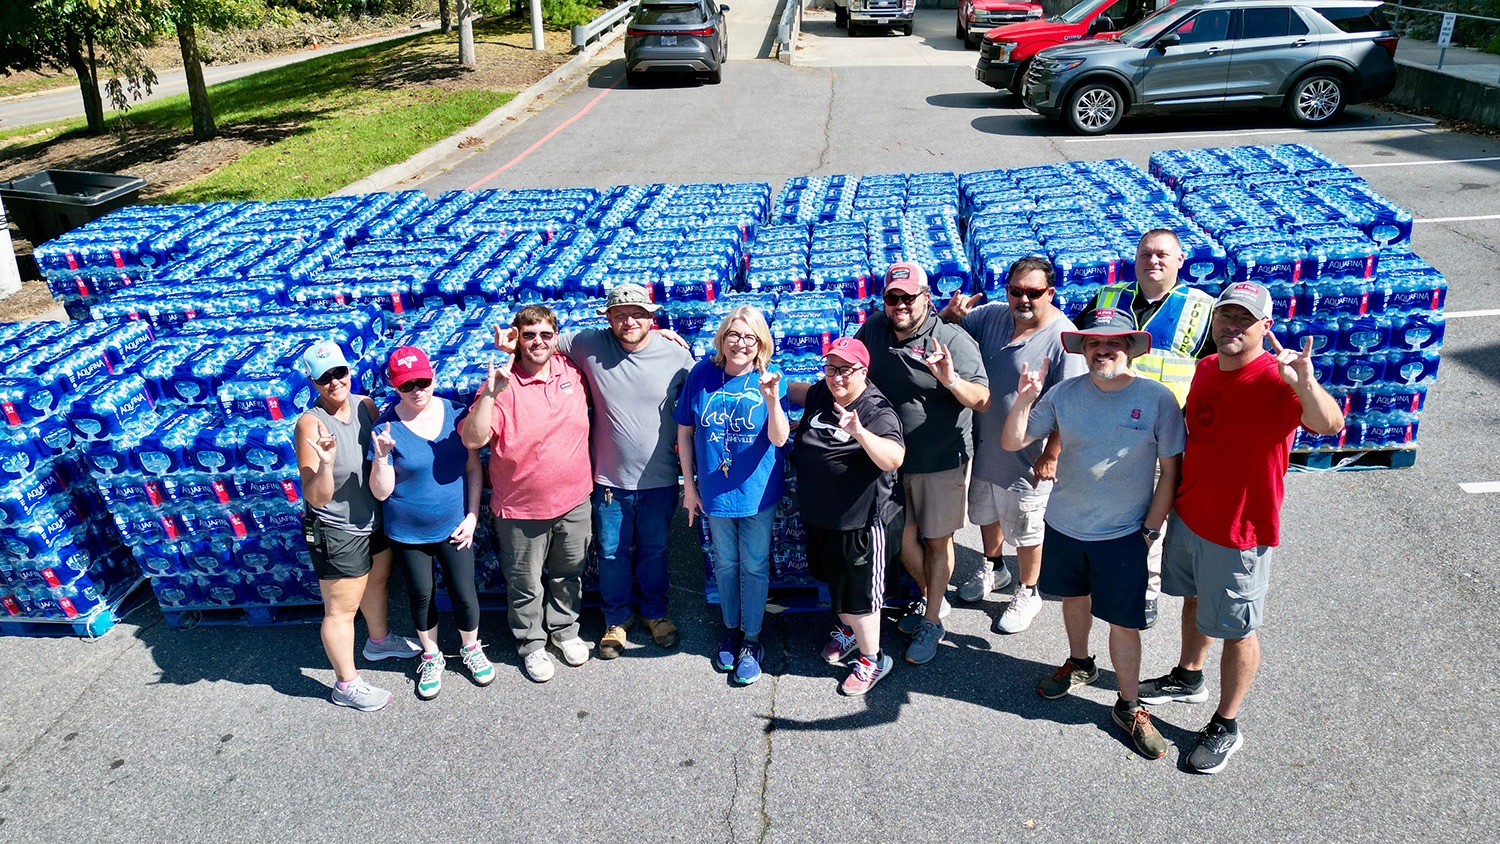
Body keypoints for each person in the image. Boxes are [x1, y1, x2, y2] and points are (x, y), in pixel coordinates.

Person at [1139, 282, 1345, 774]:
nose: (1232, 325)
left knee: (1237, 630)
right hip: (1191, 516)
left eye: (1245, 319)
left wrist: (1305, 383)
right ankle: (1189, 678)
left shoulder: (1279, 379)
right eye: (1225, 316)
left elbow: (1330, 425)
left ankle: (1227, 724)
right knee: (1193, 602)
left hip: (1241, 531)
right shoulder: (1207, 368)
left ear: (1265, 327)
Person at [1000, 308, 1185, 760]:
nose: (1104, 349)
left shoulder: (1157, 398)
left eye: (1114, 342)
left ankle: (1129, 705)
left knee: (1124, 622)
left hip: (1125, 534)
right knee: (1074, 601)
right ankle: (1080, 664)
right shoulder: (1064, 394)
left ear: (1131, 348)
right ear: (1083, 349)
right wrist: (1024, 399)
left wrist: (1150, 531)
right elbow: (1012, 441)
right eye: (1094, 342)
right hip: (1064, 525)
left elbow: (1170, 471)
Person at [507, 283, 694, 659]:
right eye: (620, 314)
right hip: (609, 481)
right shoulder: (588, 343)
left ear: (652, 317)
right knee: (611, 553)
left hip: (659, 479)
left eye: (637, 313)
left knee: (655, 550)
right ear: (608, 318)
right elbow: (540, 340)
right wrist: (506, 347)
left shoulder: (676, 355)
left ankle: (655, 614)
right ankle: (617, 619)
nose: (629, 320)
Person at [939, 256, 1086, 634]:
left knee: (1026, 526)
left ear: (1050, 293)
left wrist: (1052, 454)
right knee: (986, 512)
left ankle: (1028, 590)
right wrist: (951, 312)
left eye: (1034, 292)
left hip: (1028, 455)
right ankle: (994, 568)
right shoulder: (992, 315)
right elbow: (948, 326)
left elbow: (1071, 406)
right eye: (1016, 291)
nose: (1024, 299)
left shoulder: (1063, 340)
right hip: (985, 442)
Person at [1078, 229, 1216, 627]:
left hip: (1161, 432)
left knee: (1152, 515)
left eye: (1162, 255)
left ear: (1180, 261)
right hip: (1104, 424)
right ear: (1134, 259)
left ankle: (1147, 589)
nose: (1153, 261)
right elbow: (1079, 342)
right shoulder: (1109, 298)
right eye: (1145, 254)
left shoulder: (1201, 308)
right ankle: (1101, 570)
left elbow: (1212, 372)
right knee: (1102, 502)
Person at [854, 261, 988, 666]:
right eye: (892, 297)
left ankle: (932, 619)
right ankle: (934, 597)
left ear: (925, 299)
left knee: (937, 540)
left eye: (908, 297)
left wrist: (949, 379)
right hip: (890, 460)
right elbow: (852, 371)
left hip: (938, 460)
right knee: (902, 539)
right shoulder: (874, 327)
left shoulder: (951, 340)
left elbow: (981, 398)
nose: (899, 305)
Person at [461, 305, 594, 684]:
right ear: (517, 339)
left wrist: (663, 333)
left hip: (574, 500)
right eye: (529, 335)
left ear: (556, 337)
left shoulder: (573, 373)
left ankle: (565, 630)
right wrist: (489, 394)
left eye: (545, 335)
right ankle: (532, 644)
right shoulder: (503, 383)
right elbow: (473, 439)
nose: (538, 342)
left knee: (569, 573)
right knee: (525, 583)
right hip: (521, 508)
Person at [294, 340, 422, 712]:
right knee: (341, 610)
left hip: (373, 517)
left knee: (377, 581)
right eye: (324, 378)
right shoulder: (310, 424)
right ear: (312, 382)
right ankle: (345, 685)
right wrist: (324, 463)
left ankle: (378, 642)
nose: (335, 382)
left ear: (349, 370)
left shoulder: (365, 405)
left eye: (339, 372)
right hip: (337, 528)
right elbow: (316, 497)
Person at [673, 306, 789, 685]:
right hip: (714, 492)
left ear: (761, 344)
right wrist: (689, 488)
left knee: (754, 565)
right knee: (725, 564)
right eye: (734, 336)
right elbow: (685, 432)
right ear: (722, 339)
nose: (740, 343)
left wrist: (771, 398)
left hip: (756, 494)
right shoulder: (702, 375)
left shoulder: (771, 378)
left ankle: (752, 640)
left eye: (749, 337)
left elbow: (779, 438)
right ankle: (730, 630)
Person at [369, 346, 489, 701]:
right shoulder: (385, 427)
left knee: (464, 592)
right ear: (394, 385)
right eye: (408, 385)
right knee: (421, 595)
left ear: (433, 374)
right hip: (408, 532)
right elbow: (381, 491)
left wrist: (472, 515)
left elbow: (472, 467)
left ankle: (470, 648)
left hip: (455, 525)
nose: (418, 389)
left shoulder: (456, 414)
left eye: (423, 380)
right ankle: (432, 655)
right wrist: (381, 457)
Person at [790, 339, 906, 695]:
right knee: (836, 585)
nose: (837, 377)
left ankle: (874, 659)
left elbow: (893, 458)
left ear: (863, 371)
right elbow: (792, 389)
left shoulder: (876, 410)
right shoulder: (821, 394)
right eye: (831, 368)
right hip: (820, 516)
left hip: (859, 523)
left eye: (846, 370)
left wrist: (858, 431)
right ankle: (850, 633)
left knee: (860, 598)